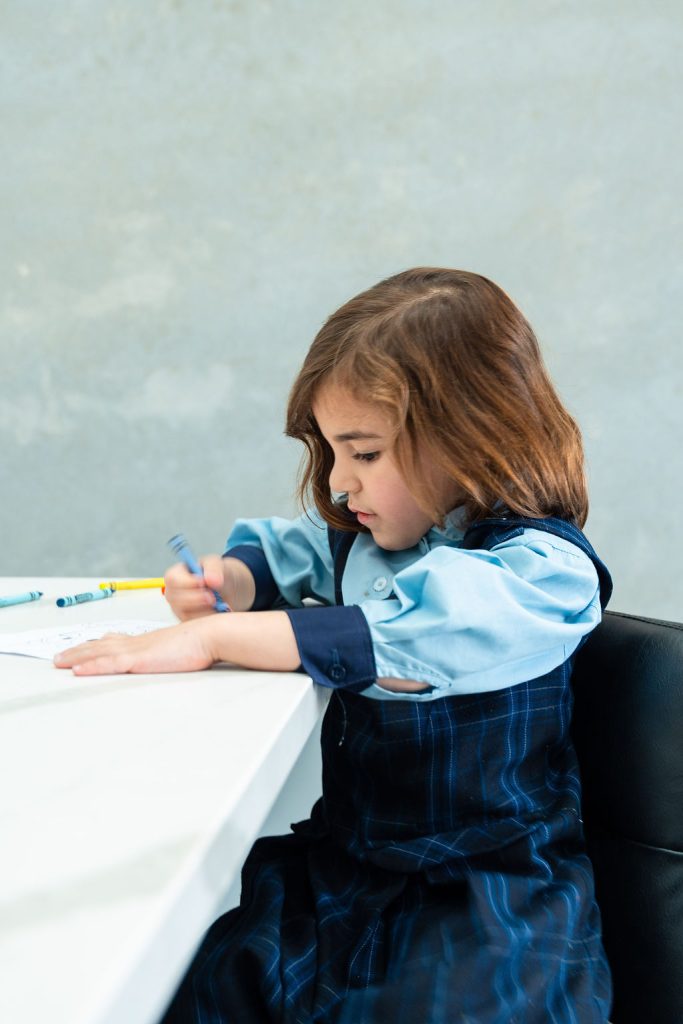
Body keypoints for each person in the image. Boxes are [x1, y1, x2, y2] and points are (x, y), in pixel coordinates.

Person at [55, 268, 613, 1023]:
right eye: (331, 452)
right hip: (348, 872)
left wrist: (216, 636)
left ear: (468, 432)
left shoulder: (543, 574)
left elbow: (408, 631)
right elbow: (298, 554)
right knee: (210, 984)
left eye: (366, 454)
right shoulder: (371, 538)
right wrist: (231, 581)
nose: (342, 483)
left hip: (483, 892)